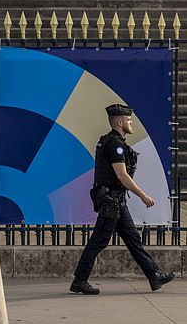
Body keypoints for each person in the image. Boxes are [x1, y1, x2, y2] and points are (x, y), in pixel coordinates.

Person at [70, 104, 175, 295]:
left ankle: (154, 275)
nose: (131, 122)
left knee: (133, 240)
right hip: (112, 202)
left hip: (116, 202)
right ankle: (79, 281)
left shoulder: (109, 141)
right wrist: (143, 196)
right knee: (98, 242)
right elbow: (122, 175)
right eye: (128, 120)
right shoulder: (115, 145)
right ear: (119, 122)